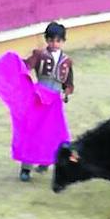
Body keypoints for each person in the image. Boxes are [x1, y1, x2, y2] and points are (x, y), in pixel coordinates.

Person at [18, 22, 74, 181]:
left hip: (55, 101)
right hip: (39, 98)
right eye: (51, 40)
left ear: (63, 41)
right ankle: (26, 168)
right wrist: (15, 64)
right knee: (32, 131)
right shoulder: (39, 55)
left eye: (57, 41)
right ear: (46, 40)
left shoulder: (67, 61)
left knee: (53, 132)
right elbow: (26, 66)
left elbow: (69, 81)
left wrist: (67, 90)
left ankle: (46, 160)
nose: (54, 44)